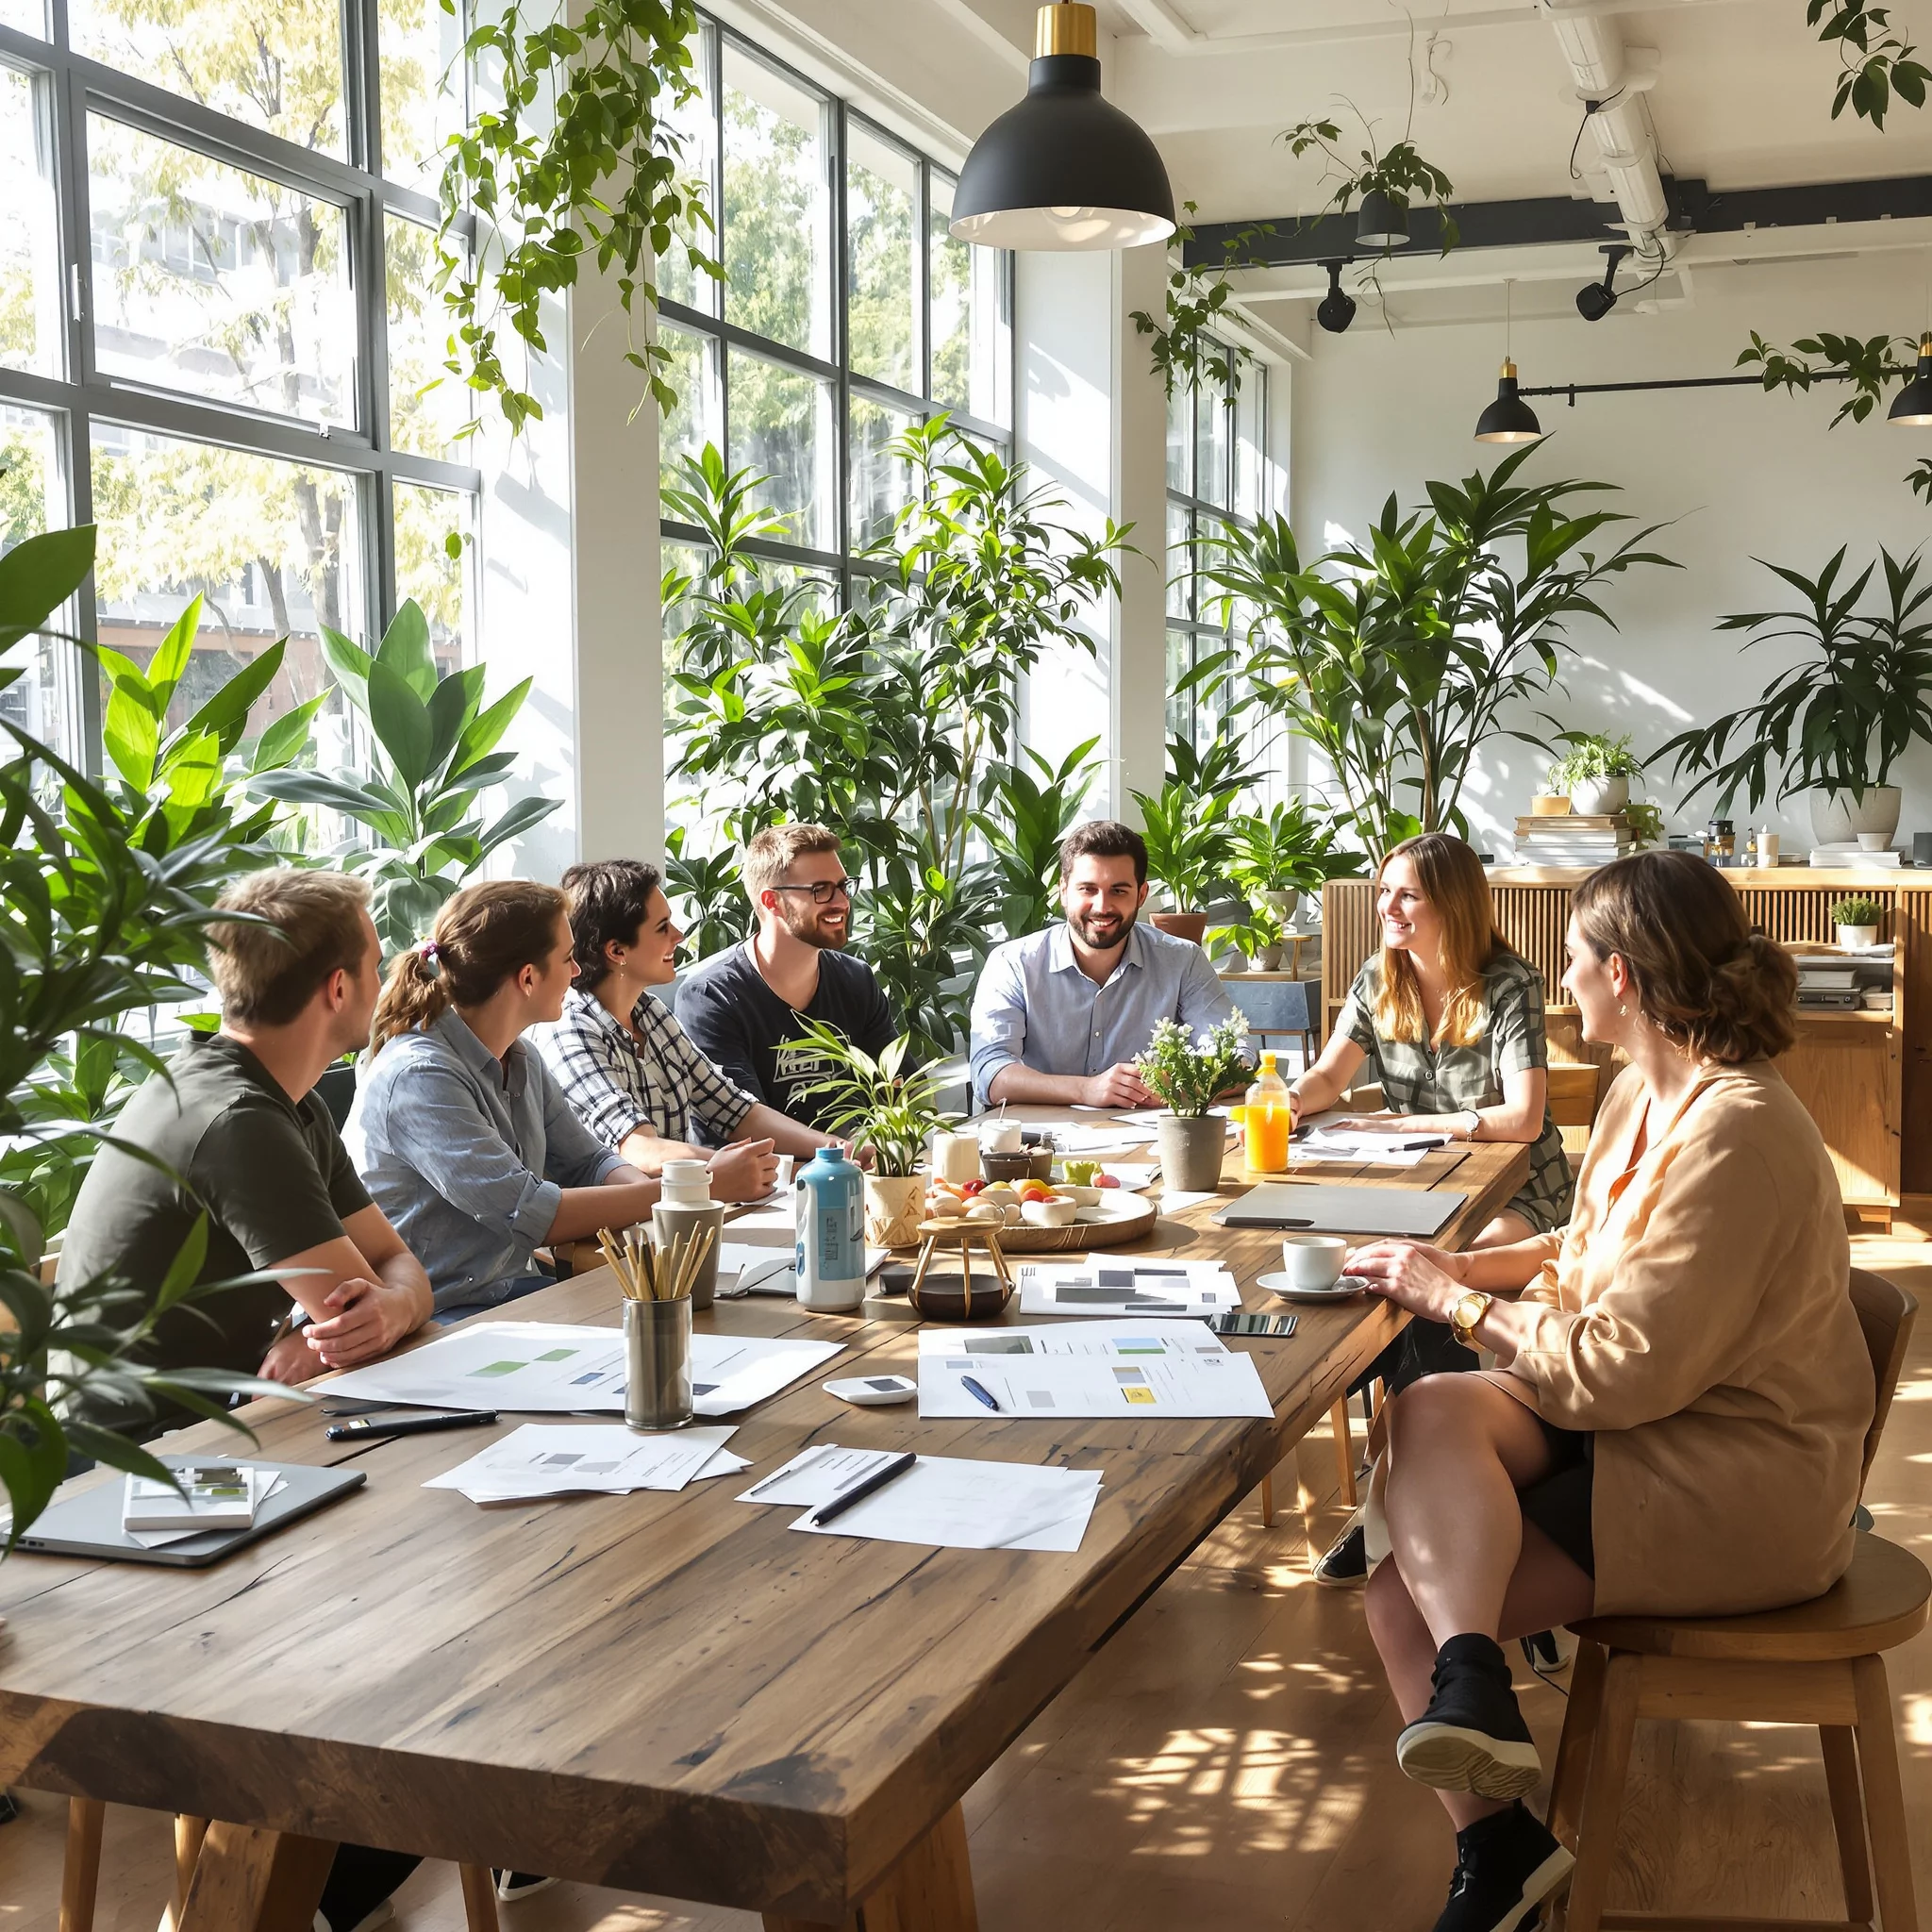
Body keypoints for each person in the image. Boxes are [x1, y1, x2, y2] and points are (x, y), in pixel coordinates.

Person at [1343, 850, 1874, 1932]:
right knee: (1424, 1416)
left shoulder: (1737, 1131)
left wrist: (1454, 1303)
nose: (1560, 981)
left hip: (1734, 1478)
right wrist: (1442, 1268)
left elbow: (1615, 1368)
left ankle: (1485, 1793)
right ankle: (1485, 1759)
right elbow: (1584, 1247)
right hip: (1653, 1426)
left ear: (1622, 976)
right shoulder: (1642, 1088)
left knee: (1403, 1589)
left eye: (1574, 960)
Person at [58, 869, 433, 1433]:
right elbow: (359, 1316)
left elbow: (390, 1277)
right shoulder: (240, 1122)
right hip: (137, 1454)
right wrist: (372, 1315)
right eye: (374, 967)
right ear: (337, 988)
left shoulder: (285, 1100)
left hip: (223, 1417)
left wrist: (381, 1312)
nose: (383, 984)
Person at [346, 880, 660, 1319]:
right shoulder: (422, 1076)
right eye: (567, 958)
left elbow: (590, 1162)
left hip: (515, 1295)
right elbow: (535, 1215)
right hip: (436, 1318)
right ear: (528, 978)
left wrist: (656, 1196)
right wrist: (681, 1194)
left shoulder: (522, 1055)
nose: (576, 973)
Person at [536, 858, 853, 1198]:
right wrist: (731, 1168)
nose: (678, 935)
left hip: (673, 1218)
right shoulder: (570, 1029)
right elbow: (639, 1148)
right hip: (605, 1241)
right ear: (617, 951)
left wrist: (834, 1149)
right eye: (662, 927)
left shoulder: (651, 1013)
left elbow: (734, 1110)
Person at [969, 819, 1235, 1110]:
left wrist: (1178, 1089)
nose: (1102, 906)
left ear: (1141, 895)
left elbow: (1235, 1058)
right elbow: (990, 1073)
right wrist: (1086, 1090)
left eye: (1118, 891)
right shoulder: (1013, 964)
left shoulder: (1183, 960)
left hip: (1149, 1142)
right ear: (1063, 891)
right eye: (1087, 889)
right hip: (1037, 1147)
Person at [676, 824, 898, 1134]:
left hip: (857, 1169)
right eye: (821, 890)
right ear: (772, 902)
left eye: (843, 887)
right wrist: (841, 1153)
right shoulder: (710, 997)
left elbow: (899, 1090)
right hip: (765, 1180)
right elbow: (745, 1123)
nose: (842, 902)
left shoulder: (856, 979)